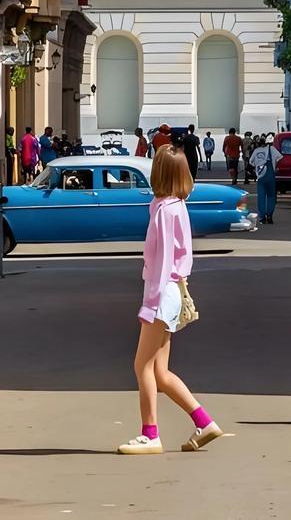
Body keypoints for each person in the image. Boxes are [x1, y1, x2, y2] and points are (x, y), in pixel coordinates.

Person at [117, 146, 225, 456]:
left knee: (142, 366)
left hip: (162, 293)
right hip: (172, 291)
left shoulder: (165, 210)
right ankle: (204, 422)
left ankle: (150, 434)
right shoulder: (173, 206)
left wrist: (148, 304)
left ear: (159, 174)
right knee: (160, 372)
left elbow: (162, 261)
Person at [250, 133, 282, 226]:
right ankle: (270, 216)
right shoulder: (272, 149)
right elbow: (280, 158)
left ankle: (262, 217)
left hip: (261, 176)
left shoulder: (256, 151)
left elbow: (251, 162)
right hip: (271, 175)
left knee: (261, 197)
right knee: (271, 196)